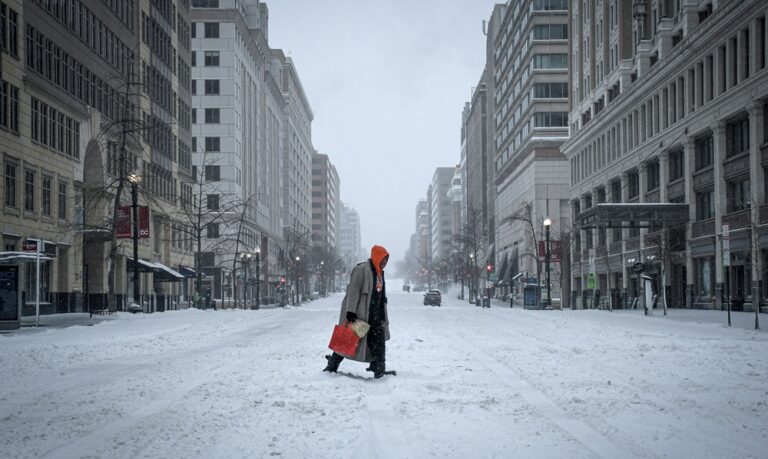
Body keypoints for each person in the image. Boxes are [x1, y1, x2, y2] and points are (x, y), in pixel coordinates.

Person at [324, 245, 390, 378]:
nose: (384, 262)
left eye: (386, 260)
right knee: (348, 338)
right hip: (361, 312)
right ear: (376, 256)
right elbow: (353, 290)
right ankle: (332, 364)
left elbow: (380, 294)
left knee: (379, 340)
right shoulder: (362, 269)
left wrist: (383, 312)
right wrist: (351, 311)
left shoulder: (380, 273)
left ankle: (379, 368)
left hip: (376, 314)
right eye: (383, 259)